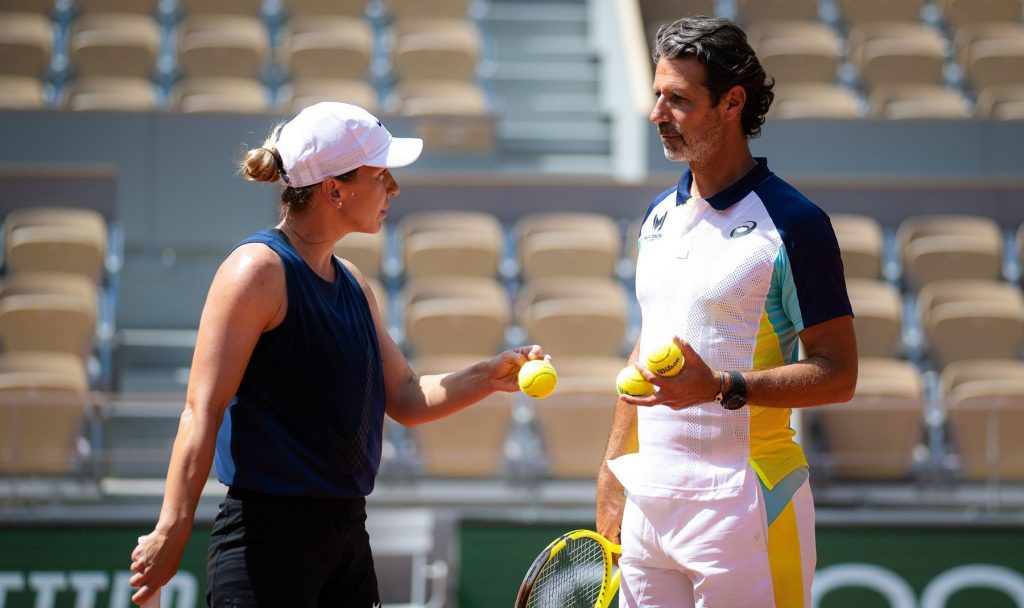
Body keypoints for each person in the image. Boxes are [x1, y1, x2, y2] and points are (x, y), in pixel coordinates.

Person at [128, 102, 547, 607]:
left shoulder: (353, 282)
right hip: (266, 548)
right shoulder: (255, 271)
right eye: (381, 174)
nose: (393, 188)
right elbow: (202, 409)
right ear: (334, 189)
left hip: (347, 540)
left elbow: (408, 398)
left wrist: (487, 374)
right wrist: (171, 528)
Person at [595, 16, 858, 608]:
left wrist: (720, 386)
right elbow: (646, 348)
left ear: (732, 102)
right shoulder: (658, 216)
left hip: (750, 500)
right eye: (657, 95)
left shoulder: (797, 225)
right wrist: (613, 476)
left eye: (679, 100)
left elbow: (839, 375)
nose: (658, 113)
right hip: (651, 504)